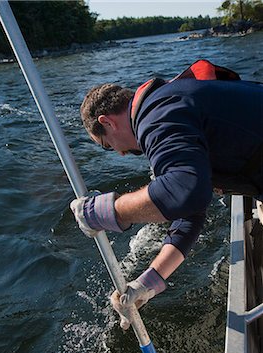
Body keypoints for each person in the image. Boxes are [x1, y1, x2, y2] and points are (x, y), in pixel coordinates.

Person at [70, 60, 263, 330]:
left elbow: (184, 192)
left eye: (106, 146)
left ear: (107, 122)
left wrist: (106, 212)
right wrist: (147, 284)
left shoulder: (157, 116)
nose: (120, 154)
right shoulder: (167, 106)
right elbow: (189, 210)